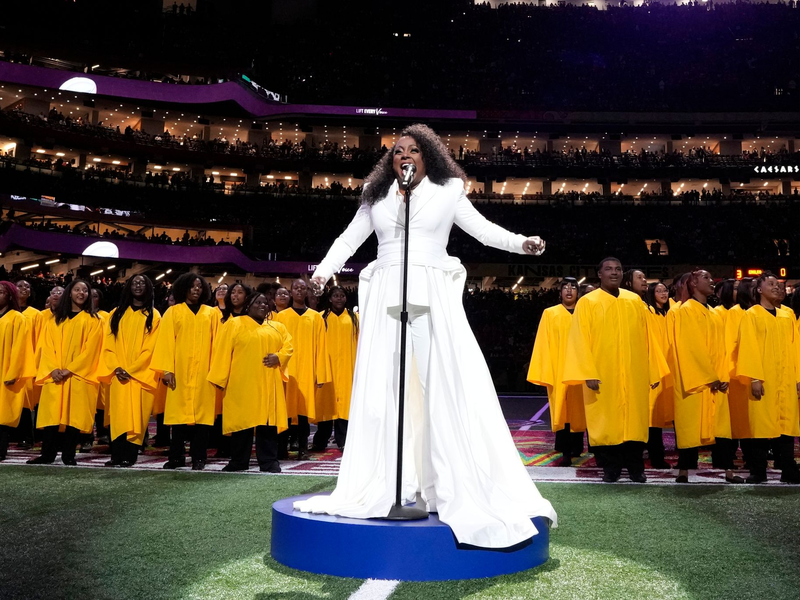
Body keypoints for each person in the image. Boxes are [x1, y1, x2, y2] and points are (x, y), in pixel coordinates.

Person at [296, 123, 556, 550]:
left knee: (439, 384)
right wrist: (322, 272)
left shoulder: (449, 189)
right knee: (387, 389)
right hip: (386, 295)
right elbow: (348, 240)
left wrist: (522, 243)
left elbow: (483, 230)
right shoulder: (376, 196)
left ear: (427, 156)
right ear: (390, 160)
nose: (404, 155)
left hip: (432, 293)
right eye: (398, 150)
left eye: (413, 149)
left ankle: (443, 481)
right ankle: (394, 483)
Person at [563, 257, 668, 483]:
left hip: (634, 371)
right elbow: (579, 339)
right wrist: (587, 372)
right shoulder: (588, 302)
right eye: (608, 269)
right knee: (606, 421)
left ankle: (635, 468)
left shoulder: (634, 301)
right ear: (599, 274)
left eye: (618, 269)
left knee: (635, 422)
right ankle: (611, 468)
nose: (614, 273)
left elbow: (649, 338)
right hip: (603, 372)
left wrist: (652, 369)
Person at [208, 292, 293, 472]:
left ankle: (269, 461)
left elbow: (289, 345)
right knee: (242, 423)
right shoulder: (234, 323)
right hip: (242, 381)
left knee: (267, 423)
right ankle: (238, 461)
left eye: (265, 302)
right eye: (257, 302)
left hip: (268, 381)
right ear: (248, 305)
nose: (262, 305)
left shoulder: (277, 327)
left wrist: (279, 357)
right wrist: (219, 378)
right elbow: (222, 350)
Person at [671, 270, 741, 484]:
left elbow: (722, 349)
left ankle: (728, 470)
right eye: (706, 278)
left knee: (721, 429)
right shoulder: (685, 311)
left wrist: (722, 376)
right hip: (695, 381)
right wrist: (709, 376)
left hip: (717, 382)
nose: (712, 282)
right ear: (693, 283)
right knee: (690, 427)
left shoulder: (714, 313)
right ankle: (684, 470)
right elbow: (689, 348)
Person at [28, 280, 102, 465]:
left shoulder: (93, 320)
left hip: (77, 376)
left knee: (73, 417)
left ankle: (69, 455)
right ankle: (47, 454)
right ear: (69, 293)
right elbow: (46, 346)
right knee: (52, 417)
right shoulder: (55, 320)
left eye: (85, 290)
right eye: (77, 289)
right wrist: (52, 369)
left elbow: (91, 351)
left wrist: (70, 369)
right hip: (55, 375)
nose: (81, 293)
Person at [736, 273, 800, 484]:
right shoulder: (752, 315)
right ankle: (758, 470)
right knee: (761, 426)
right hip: (764, 378)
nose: (776, 287)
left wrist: (798, 377)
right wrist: (754, 378)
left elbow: (795, 348)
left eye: (778, 284)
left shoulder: (787, 315)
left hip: (786, 378)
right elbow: (748, 348)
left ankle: (788, 470)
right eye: (770, 284)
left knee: (787, 425)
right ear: (759, 290)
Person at [151, 273, 219, 470]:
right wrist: (167, 370)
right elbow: (165, 342)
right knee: (177, 419)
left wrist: (216, 371)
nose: (196, 289)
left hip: (204, 372)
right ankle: (176, 457)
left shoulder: (212, 313)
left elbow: (218, 344)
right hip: (178, 371)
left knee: (203, 419)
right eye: (192, 286)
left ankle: (199, 458)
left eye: (199, 286)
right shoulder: (173, 312)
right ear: (184, 289)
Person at [98, 276, 161, 467]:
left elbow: (151, 348)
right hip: (117, 374)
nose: (138, 285)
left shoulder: (153, 315)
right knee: (117, 415)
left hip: (140, 376)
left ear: (149, 288)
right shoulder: (116, 314)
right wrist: (116, 367)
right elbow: (108, 345)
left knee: (138, 416)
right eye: (134, 283)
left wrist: (132, 370)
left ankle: (130, 456)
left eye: (143, 282)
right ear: (128, 287)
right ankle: (116, 455)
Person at [527, 277, 586, 466]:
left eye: (573, 287)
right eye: (565, 287)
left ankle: (579, 447)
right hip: (560, 369)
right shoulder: (550, 313)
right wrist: (546, 371)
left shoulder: (584, 312)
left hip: (582, 369)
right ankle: (566, 452)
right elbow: (544, 343)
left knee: (581, 411)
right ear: (559, 291)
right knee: (563, 411)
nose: (569, 290)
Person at [274, 279, 330, 460]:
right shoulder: (281, 317)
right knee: (284, 412)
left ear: (307, 292)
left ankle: (303, 449)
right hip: (286, 370)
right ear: (291, 292)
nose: (299, 291)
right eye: (295, 288)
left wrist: (321, 374)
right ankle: (281, 448)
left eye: (302, 288)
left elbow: (322, 347)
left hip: (307, 369)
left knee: (303, 413)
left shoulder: (315, 317)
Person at [312, 286, 359, 452]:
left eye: (342, 296)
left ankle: (343, 440)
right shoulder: (321, 317)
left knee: (345, 407)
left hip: (348, 366)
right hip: (328, 365)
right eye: (335, 296)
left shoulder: (355, 318)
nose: (339, 299)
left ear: (346, 299)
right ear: (330, 299)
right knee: (326, 406)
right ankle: (320, 441)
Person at [0, 282, 35, 461]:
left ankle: (1, 450)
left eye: (1, 293)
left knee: (3, 415)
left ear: (10, 296)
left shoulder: (17, 318)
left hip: (6, 372)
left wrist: (13, 373)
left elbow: (20, 348)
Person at [15, 279, 40, 448]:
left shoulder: (35, 314)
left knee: (24, 400)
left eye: (27, 287)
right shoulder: (6, 313)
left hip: (27, 362)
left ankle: (26, 437)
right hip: (6, 361)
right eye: (19, 286)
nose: (24, 289)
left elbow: (39, 341)